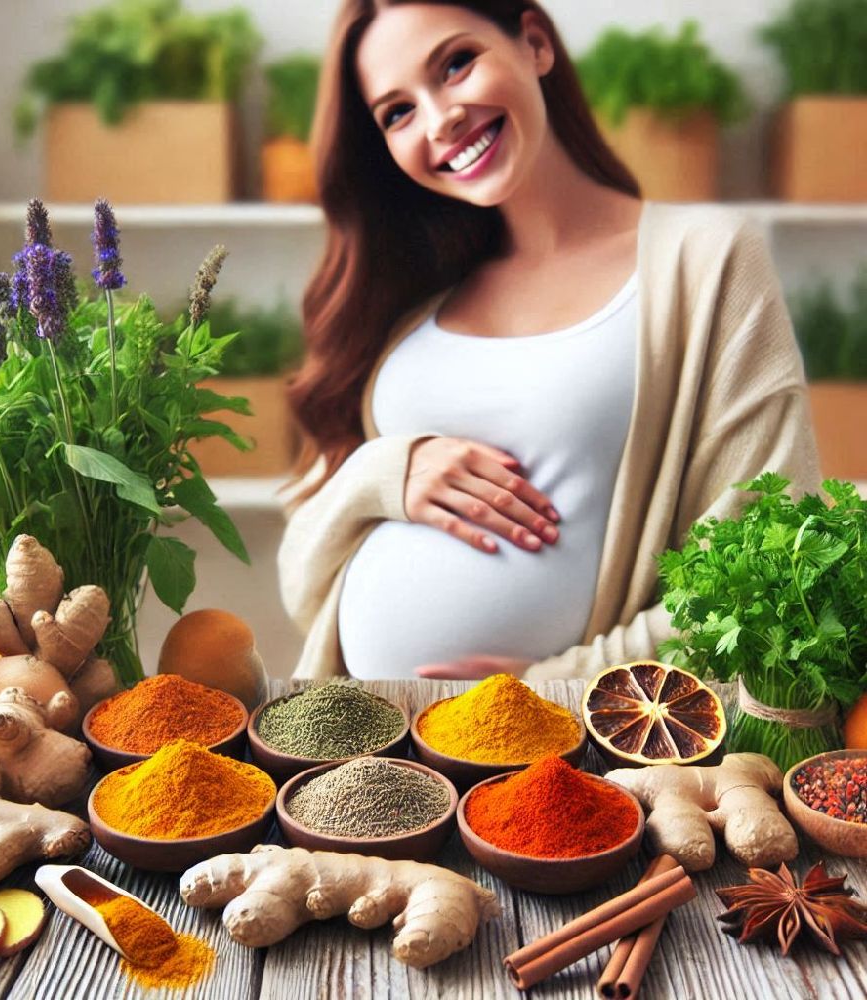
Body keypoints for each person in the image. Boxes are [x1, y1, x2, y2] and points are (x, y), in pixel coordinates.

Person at [278, 0, 820, 682]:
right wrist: (384, 475)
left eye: (455, 64)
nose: (440, 119)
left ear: (533, 42)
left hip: (567, 749)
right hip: (367, 741)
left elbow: (771, 554)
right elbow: (303, 576)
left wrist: (565, 685)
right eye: (397, 112)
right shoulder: (409, 308)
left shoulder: (704, 260)